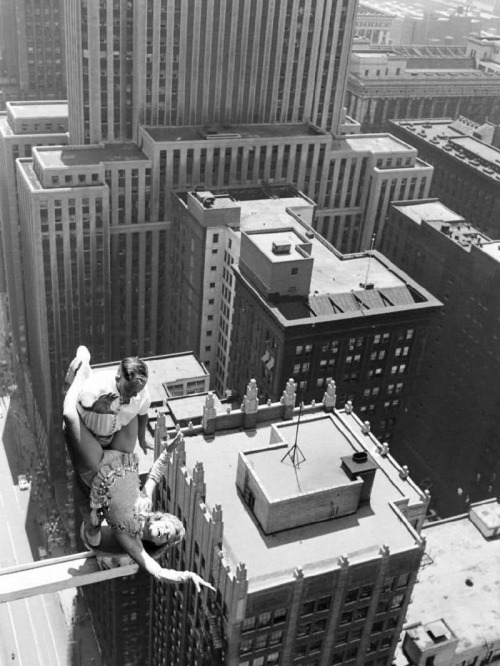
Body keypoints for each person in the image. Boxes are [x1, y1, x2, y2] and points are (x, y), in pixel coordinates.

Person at [63, 351, 214, 592]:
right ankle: (95, 393)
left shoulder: (132, 542)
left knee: (70, 417)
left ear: (155, 543)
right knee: (134, 409)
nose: (165, 532)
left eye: (166, 537)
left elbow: (159, 571)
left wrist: (186, 576)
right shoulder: (145, 502)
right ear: (163, 517)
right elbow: (154, 475)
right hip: (122, 458)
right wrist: (168, 451)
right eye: (169, 527)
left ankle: (80, 378)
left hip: (98, 471)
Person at [65, 346, 153, 454]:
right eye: (129, 390)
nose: (134, 395)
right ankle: (80, 370)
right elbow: (84, 398)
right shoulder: (101, 382)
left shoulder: (142, 394)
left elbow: (143, 414)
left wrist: (142, 439)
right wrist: (94, 406)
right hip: (87, 431)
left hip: (112, 434)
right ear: (117, 378)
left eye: (138, 391)